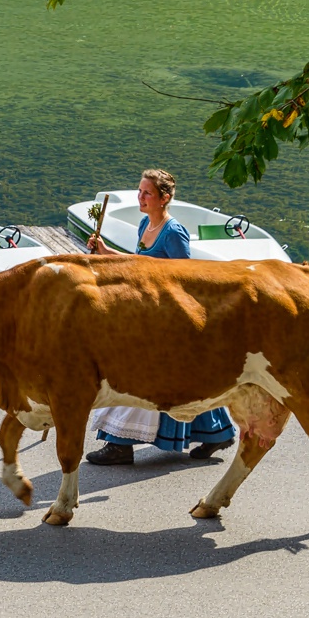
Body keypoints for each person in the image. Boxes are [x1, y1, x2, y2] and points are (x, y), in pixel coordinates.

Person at [85, 168, 236, 466]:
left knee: (137, 377)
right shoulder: (144, 223)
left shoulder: (173, 232)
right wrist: (105, 254)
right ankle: (217, 432)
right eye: (139, 191)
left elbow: (184, 276)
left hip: (168, 317)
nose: (140, 197)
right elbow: (137, 264)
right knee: (182, 378)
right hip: (146, 313)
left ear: (164, 198)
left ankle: (120, 444)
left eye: (147, 193)